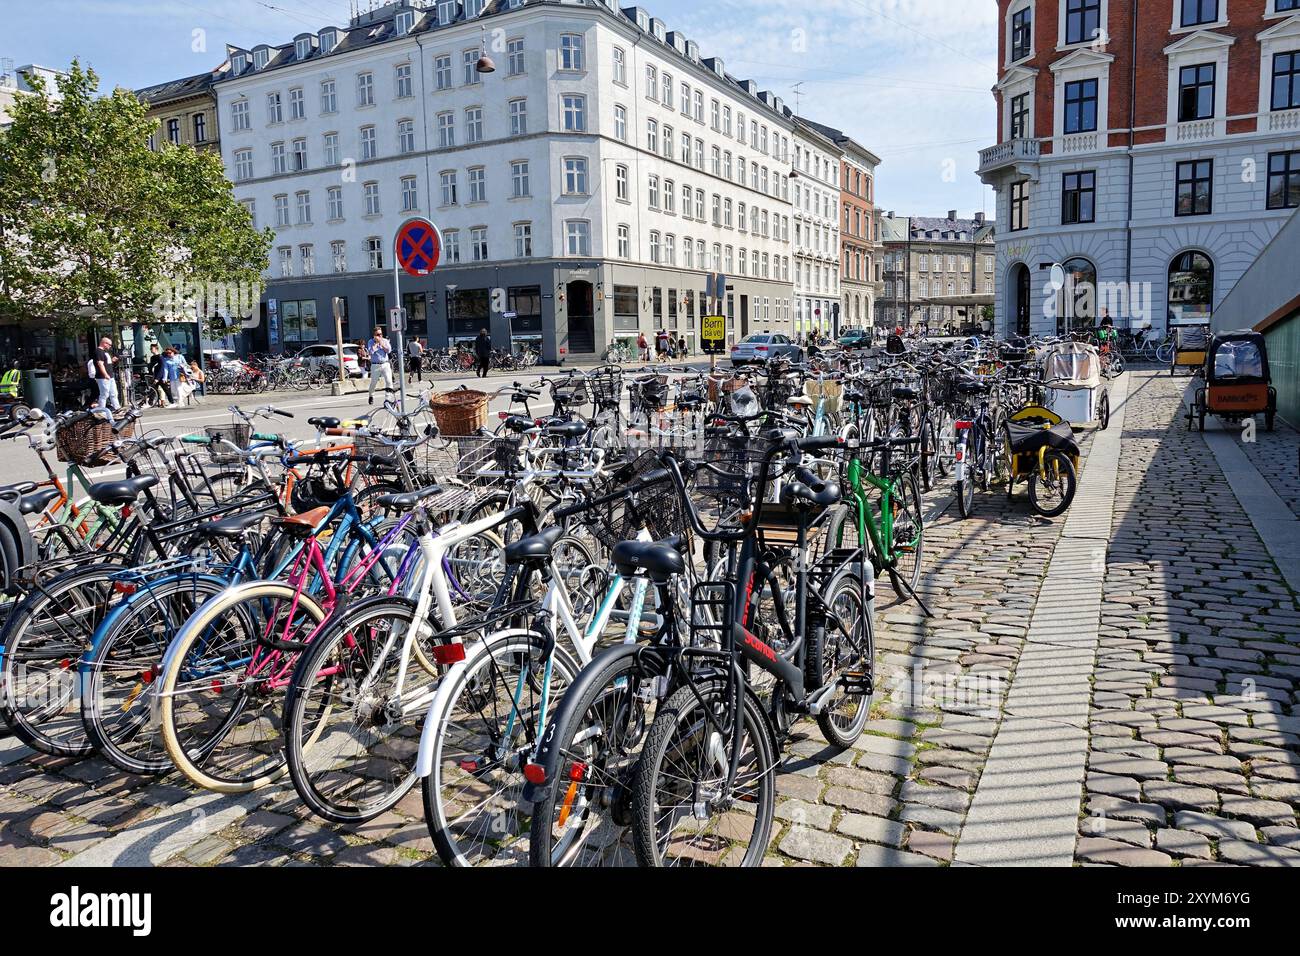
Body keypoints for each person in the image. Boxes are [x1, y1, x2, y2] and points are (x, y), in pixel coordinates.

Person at [91, 336, 120, 411]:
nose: (110, 346)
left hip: (110, 376)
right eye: (109, 344)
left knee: (114, 393)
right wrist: (105, 374)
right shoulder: (98, 351)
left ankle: (117, 408)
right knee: (104, 394)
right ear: (104, 343)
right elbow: (100, 364)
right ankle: (101, 410)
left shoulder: (104, 352)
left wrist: (113, 360)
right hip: (103, 377)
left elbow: (107, 363)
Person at [366, 327, 394, 404]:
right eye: (378, 334)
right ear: (374, 335)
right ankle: (371, 395)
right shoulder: (370, 342)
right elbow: (370, 352)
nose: (380, 336)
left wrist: (382, 344)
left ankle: (387, 399)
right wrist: (376, 344)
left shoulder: (385, 341)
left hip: (385, 363)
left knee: (389, 381)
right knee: (373, 382)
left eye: (381, 334)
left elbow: (389, 350)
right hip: (375, 365)